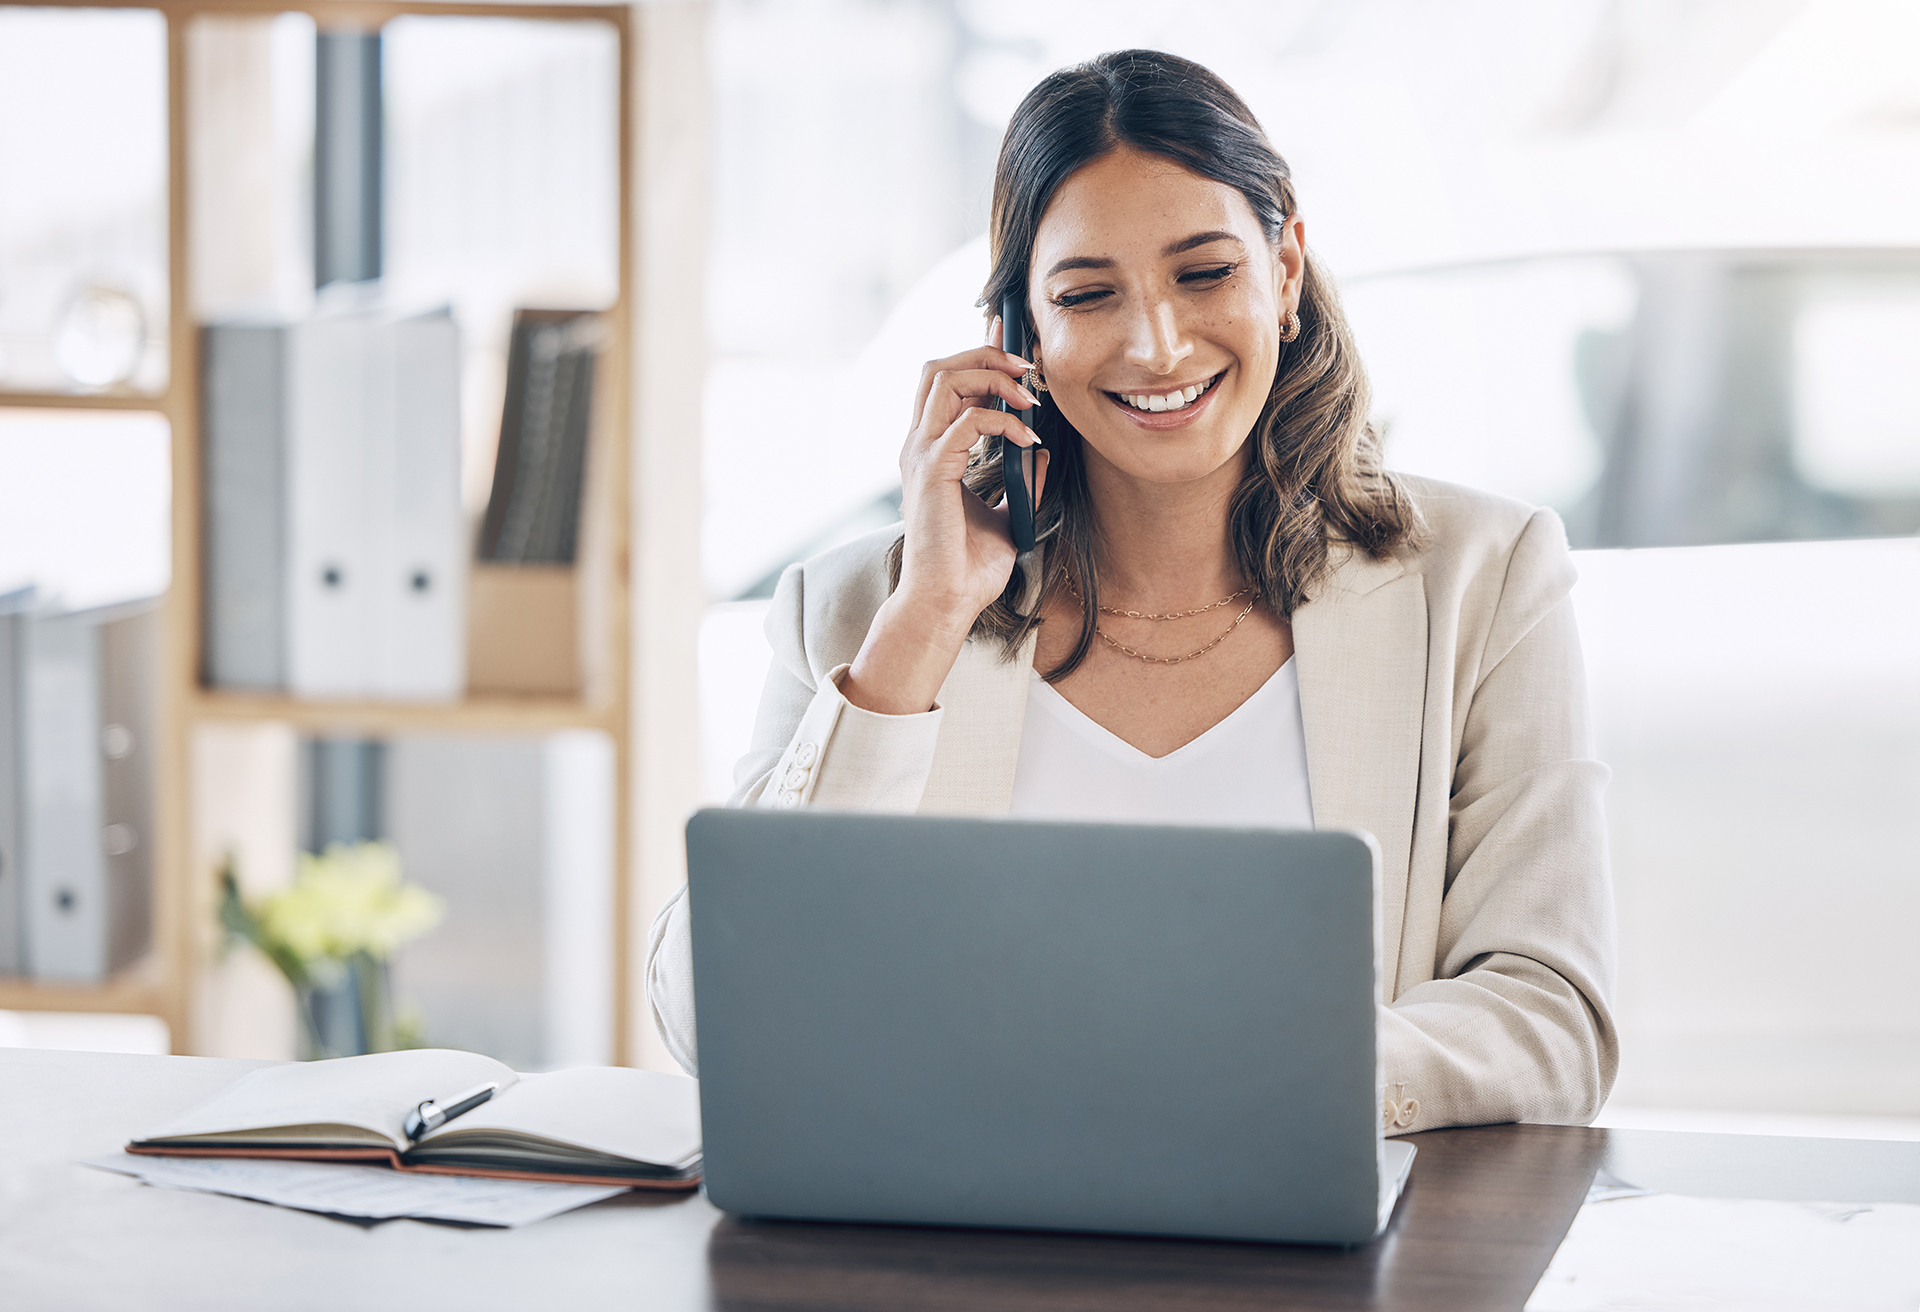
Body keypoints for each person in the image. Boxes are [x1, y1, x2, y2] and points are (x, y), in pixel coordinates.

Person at [649, 49, 1616, 1135]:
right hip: (951, 1246)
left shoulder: (1485, 575)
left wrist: (1233, 1072)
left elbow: (1550, 1014)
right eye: (1086, 294)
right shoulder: (862, 610)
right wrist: (922, 625)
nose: (1156, 344)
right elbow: (711, 1016)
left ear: (1285, 272)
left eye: (1204, 274)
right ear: (1021, 333)